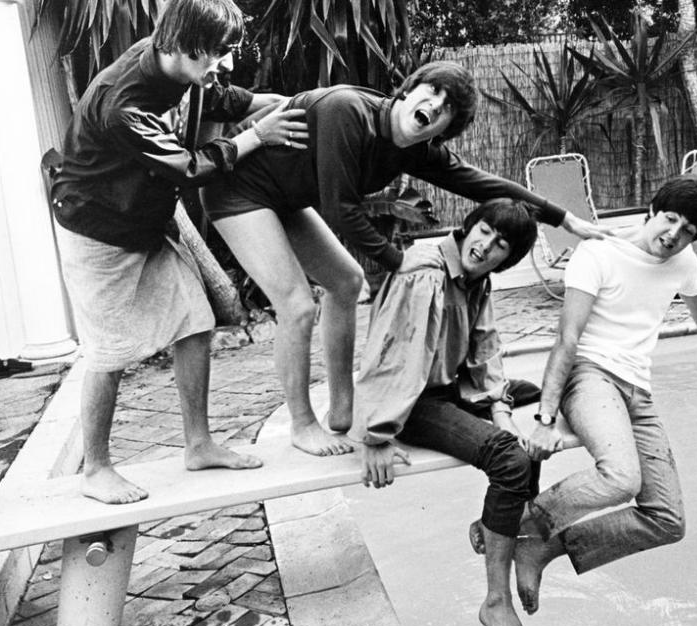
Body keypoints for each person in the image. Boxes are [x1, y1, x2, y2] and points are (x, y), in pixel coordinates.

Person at [201, 60, 609, 458]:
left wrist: (563, 217)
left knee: (345, 282)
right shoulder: (347, 110)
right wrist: (397, 260)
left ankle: (343, 409)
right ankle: (303, 424)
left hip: (284, 198)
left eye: (447, 108)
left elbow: (481, 182)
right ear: (409, 89)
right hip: (238, 191)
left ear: (446, 129)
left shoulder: (416, 149)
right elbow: (340, 208)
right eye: (432, 91)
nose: (434, 105)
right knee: (296, 305)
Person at [50, 0, 308, 504]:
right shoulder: (120, 100)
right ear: (180, 43)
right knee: (108, 352)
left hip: (147, 218)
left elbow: (224, 98)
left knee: (195, 321)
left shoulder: (185, 65)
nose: (222, 64)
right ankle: (96, 470)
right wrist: (258, 136)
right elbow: (189, 167)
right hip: (98, 229)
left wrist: (290, 104)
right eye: (214, 53)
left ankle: (199, 444)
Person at [510, 175, 697, 614]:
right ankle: (517, 525)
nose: (674, 235)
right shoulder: (599, 252)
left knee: (667, 519)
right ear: (652, 210)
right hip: (590, 376)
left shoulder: (683, 263)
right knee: (621, 478)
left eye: (688, 232)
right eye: (671, 219)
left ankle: (542, 549)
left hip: (636, 391)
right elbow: (567, 337)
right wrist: (546, 419)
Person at [350, 199, 544, 626]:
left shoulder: (476, 280)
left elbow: (485, 348)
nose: (486, 246)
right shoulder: (426, 273)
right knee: (510, 460)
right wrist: (376, 433)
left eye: (500, 244)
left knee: (531, 402)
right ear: (469, 226)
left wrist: (500, 409)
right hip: (410, 401)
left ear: (506, 258)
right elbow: (392, 355)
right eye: (484, 231)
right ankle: (496, 603)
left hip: (444, 387)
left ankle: (502, 524)